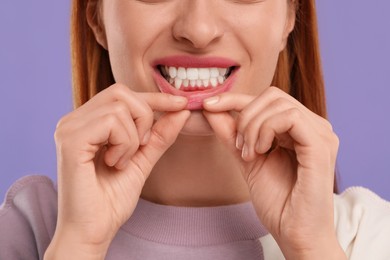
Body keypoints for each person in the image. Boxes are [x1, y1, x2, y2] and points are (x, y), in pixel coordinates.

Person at [1, 0, 389, 259]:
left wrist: (311, 248)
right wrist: (78, 244)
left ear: (289, 15)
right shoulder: (33, 231)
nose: (199, 30)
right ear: (97, 17)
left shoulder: (366, 237)